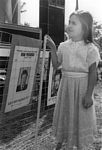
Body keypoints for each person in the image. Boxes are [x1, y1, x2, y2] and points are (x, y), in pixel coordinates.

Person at [46, 10, 100, 150]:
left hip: (82, 87)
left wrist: (89, 94)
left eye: (74, 23)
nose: (69, 25)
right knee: (65, 112)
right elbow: (56, 64)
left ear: (85, 28)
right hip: (67, 86)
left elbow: (93, 73)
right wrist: (52, 48)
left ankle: (80, 145)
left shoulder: (90, 48)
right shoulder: (63, 46)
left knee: (80, 116)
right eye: (69, 22)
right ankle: (60, 142)